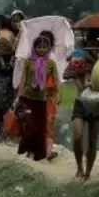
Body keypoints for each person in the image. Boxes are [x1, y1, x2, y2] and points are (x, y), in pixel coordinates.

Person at [14, 30, 59, 162]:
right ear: (34, 47)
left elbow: (55, 80)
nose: (41, 49)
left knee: (40, 127)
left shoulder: (51, 63)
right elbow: (23, 79)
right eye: (38, 47)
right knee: (29, 123)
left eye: (44, 47)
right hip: (28, 98)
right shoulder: (29, 61)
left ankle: (38, 153)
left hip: (41, 99)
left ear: (48, 48)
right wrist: (19, 95)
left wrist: (57, 95)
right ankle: (27, 150)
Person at [65, 41, 99, 180]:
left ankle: (88, 172)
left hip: (96, 104)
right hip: (80, 103)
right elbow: (67, 72)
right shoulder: (79, 60)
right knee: (77, 135)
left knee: (93, 140)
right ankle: (80, 168)